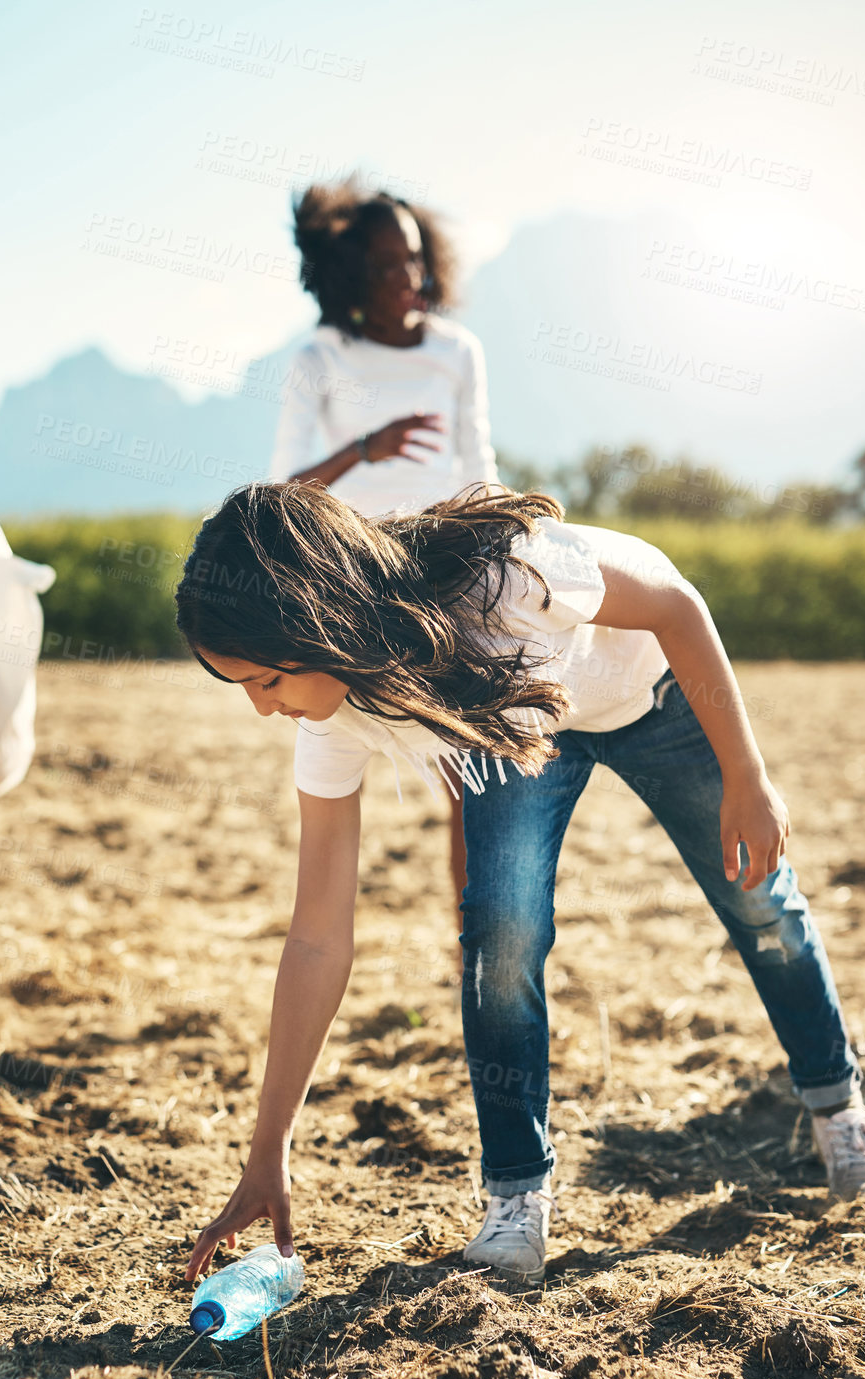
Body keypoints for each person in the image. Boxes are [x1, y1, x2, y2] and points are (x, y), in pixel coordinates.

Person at [176, 482, 865, 1288]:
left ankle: (838, 1109)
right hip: (518, 725)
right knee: (501, 933)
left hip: (650, 690)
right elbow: (315, 935)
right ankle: (517, 1194)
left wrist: (745, 775)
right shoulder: (329, 716)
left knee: (756, 896)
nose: (262, 710)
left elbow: (676, 606)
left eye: (265, 681)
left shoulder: (506, 578)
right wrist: (267, 1151)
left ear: (319, 624)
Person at [272, 181, 499, 942]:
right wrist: (365, 448)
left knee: (472, 778)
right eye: (384, 264)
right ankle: (324, 938)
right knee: (338, 774)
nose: (407, 278)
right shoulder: (319, 357)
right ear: (346, 277)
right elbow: (282, 492)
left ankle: (474, 937)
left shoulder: (456, 350)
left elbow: (482, 468)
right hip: (354, 590)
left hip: (451, 578)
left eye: (413, 259)